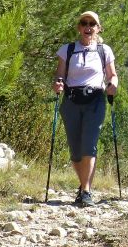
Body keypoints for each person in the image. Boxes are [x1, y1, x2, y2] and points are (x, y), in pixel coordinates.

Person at [52, 11, 118, 207]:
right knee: (75, 149)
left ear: (98, 28)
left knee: (89, 145)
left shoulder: (104, 50)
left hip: (95, 100)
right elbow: (59, 74)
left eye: (92, 24)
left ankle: (86, 191)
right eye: (84, 23)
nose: (88, 27)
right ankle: (83, 187)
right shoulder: (68, 49)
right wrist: (58, 83)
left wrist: (113, 85)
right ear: (79, 27)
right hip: (71, 100)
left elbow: (112, 75)